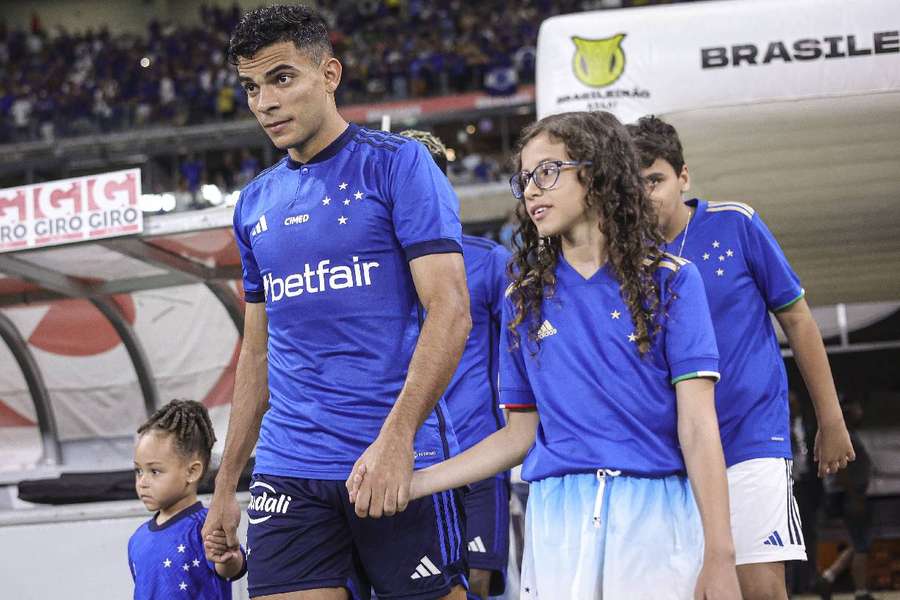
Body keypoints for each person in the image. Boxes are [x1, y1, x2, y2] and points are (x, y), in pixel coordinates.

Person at [351, 110, 740, 599]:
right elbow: (518, 437)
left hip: (655, 517)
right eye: (525, 178)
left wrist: (722, 555)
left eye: (548, 172)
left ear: (597, 173)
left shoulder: (673, 280)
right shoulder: (524, 298)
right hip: (555, 519)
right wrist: (416, 482)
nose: (532, 189)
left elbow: (699, 429)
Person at [201, 5, 472, 600]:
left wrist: (398, 438)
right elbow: (257, 354)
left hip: (396, 458)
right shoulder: (253, 204)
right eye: (250, 87)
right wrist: (225, 488)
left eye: (281, 78)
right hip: (289, 467)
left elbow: (450, 310)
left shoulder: (398, 165)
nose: (263, 102)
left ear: (329, 74)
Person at [628, 115, 855, 600]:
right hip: (671, 448)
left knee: (760, 589)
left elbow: (797, 320)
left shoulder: (735, 222)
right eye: (634, 184)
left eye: (656, 180)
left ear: (683, 176)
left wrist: (830, 420)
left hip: (751, 435)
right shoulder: (624, 258)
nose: (647, 195)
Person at [400, 129, 512, 600]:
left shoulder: (491, 262)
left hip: (478, 452)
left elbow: (520, 359)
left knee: (479, 583)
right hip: (409, 458)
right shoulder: (374, 271)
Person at [129, 399, 246, 599]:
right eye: (139, 471)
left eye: (154, 471)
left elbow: (232, 568)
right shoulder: (137, 539)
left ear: (192, 472)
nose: (142, 482)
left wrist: (228, 559)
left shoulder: (208, 525)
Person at [815, 399, 876, 600]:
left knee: (857, 540)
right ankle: (860, 591)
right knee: (861, 543)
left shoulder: (847, 434)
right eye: (854, 410)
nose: (859, 412)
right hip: (849, 495)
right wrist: (854, 495)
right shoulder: (842, 435)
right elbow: (843, 470)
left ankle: (829, 576)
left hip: (849, 494)